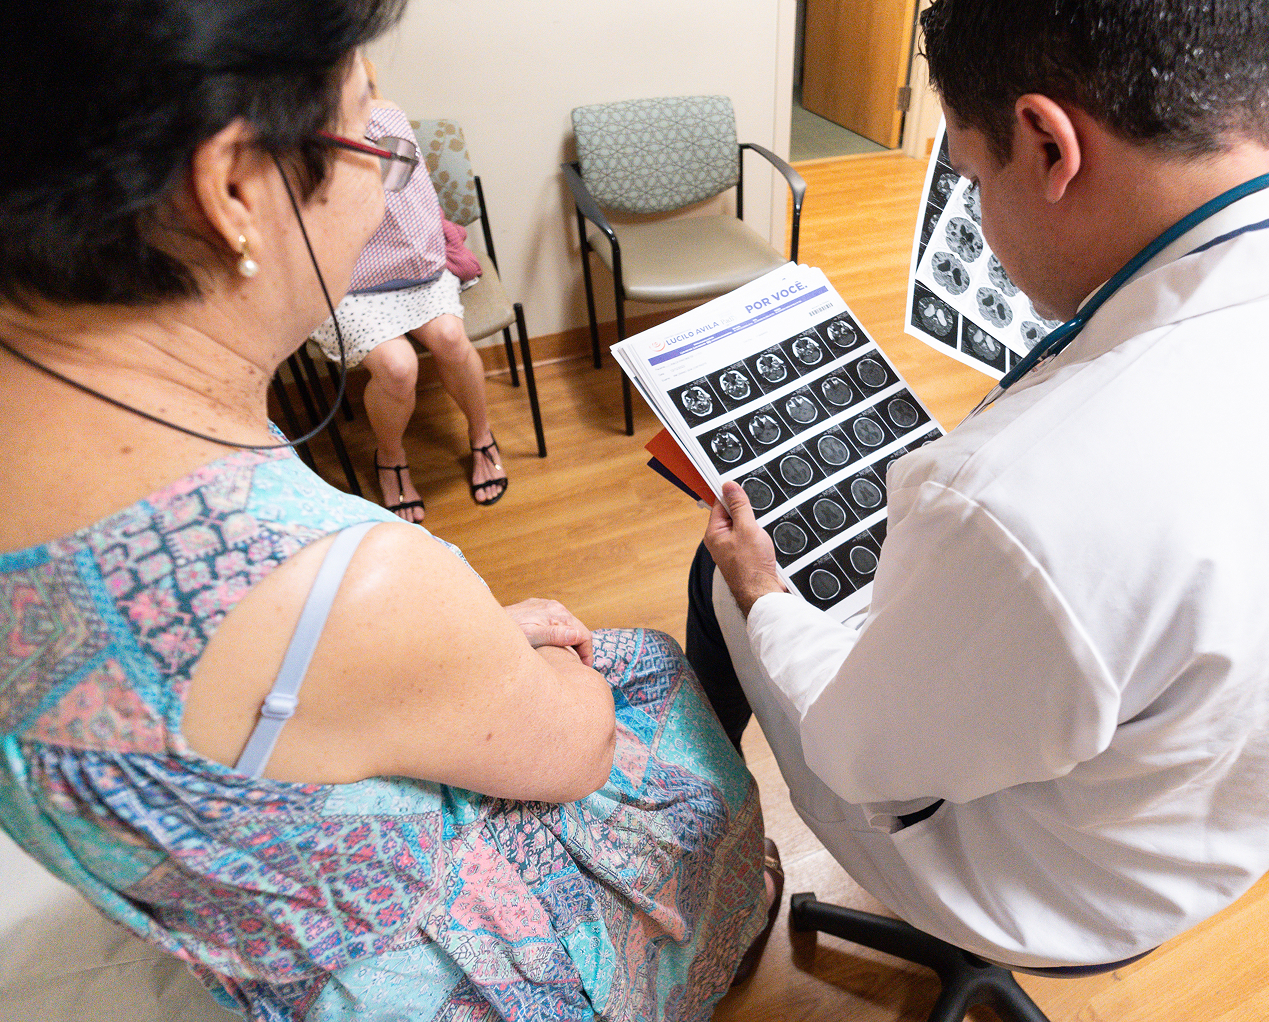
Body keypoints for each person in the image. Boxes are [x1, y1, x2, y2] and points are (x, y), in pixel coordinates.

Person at [687, 0, 1269, 970]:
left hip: (1040, 888)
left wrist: (761, 588)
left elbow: (852, 751)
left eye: (967, 173)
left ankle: (707, 880)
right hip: (1215, 831)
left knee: (721, 575)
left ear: (1046, 145)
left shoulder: (1028, 502)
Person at [0, 2, 773, 1018]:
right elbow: (573, 745)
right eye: (365, 123)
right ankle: (732, 920)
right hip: (429, 969)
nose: (382, 161)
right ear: (234, 188)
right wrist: (498, 651)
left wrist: (461, 647)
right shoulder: (348, 578)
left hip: (240, 915)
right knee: (639, 678)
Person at [308, 73, 503, 522]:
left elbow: (404, 196)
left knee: (452, 338)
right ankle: (391, 457)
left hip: (413, 266)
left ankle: (482, 436)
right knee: (398, 367)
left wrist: (365, 132)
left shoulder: (386, 119)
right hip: (344, 277)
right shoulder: (285, 140)